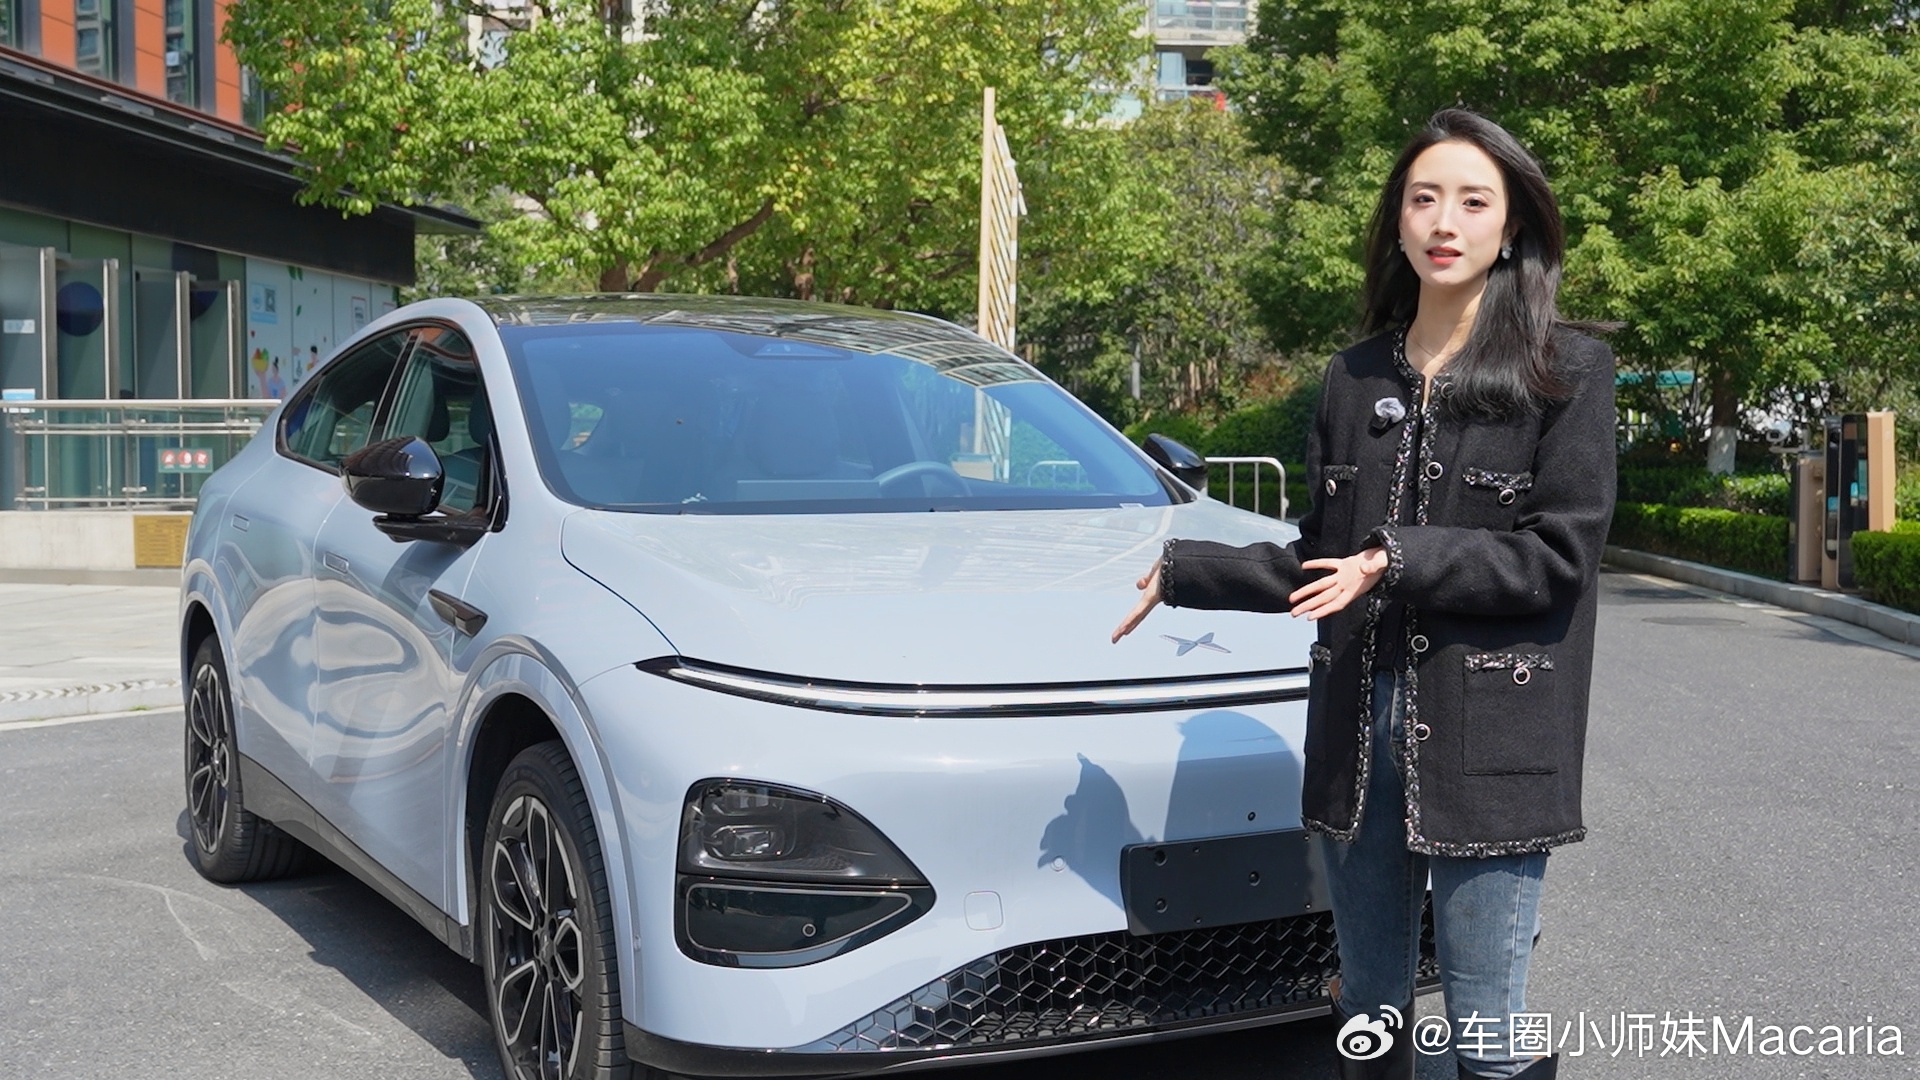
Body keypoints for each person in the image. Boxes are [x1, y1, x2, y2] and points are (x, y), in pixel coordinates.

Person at [1112, 109, 1616, 1080]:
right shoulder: (1352, 378)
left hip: (1492, 746)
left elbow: (1557, 558)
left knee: (1487, 1025)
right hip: (1356, 736)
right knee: (1369, 1010)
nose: (1445, 221)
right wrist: (1185, 573)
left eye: (1473, 202)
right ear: (1398, 221)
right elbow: (1321, 558)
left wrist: (1396, 558)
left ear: (1510, 225)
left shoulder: (1566, 372)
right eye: (1424, 199)